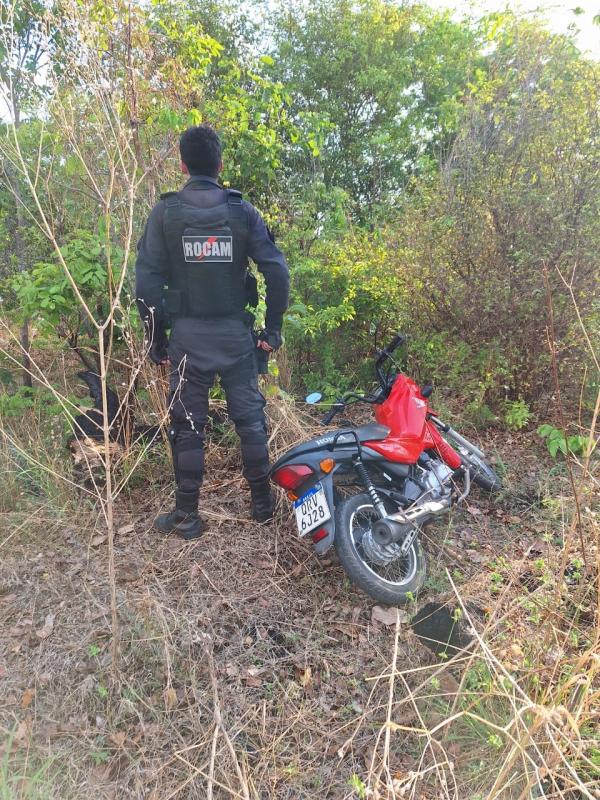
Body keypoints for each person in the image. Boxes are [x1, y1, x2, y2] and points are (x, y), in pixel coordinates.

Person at [135, 124, 289, 540]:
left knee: (187, 426)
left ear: (182, 164)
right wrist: (271, 331)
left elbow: (146, 286)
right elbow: (277, 271)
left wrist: (156, 341)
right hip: (237, 338)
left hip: (187, 340)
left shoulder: (165, 214)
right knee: (250, 420)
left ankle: (187, 516)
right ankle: (262, 506)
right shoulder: (242, 212)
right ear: (219, 165)